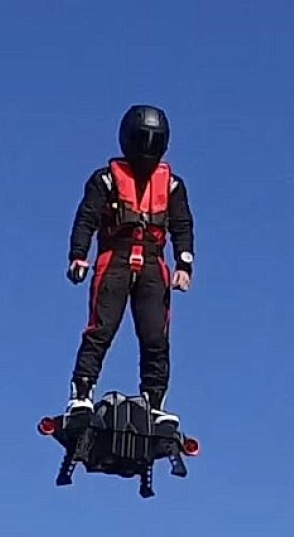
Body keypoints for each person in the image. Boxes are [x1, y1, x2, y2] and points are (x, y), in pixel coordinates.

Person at [64, 104, 195, 425]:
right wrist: (78, 255)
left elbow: (182, 224)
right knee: (101, 328)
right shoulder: (105, 180)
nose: (147, 148)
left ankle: (154, 400)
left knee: (155, 336)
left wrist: (184, 263)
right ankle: (81, 393)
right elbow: (87, 218)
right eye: (142, 140)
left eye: (154, 141)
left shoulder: (173, 185)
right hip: (115, 259)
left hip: (153, 264)